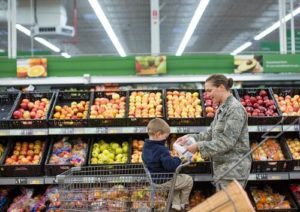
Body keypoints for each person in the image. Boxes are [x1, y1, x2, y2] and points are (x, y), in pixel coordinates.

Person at [176, 74, 251, 190]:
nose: (207, 95)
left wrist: (198, 147)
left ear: (221, 87)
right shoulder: (222, 108)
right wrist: (190, 138)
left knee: (228, 207)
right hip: (223, 169)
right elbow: (210, 134)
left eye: (209, 90)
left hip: (233, 170)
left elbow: (227, 141)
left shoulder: (235, 109)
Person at [142, 118, 193, 211]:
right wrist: (179, 158)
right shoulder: (162, 149)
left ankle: (176, 205)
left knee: (177, 181)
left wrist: (170, 158)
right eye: (165, 137)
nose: (166, 139)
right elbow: (171, 167)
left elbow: (151, 160)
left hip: (154, 179)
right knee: (188, 180)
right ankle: (183, 204)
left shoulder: (146, 147)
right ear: (158, 134)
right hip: (164, 181)